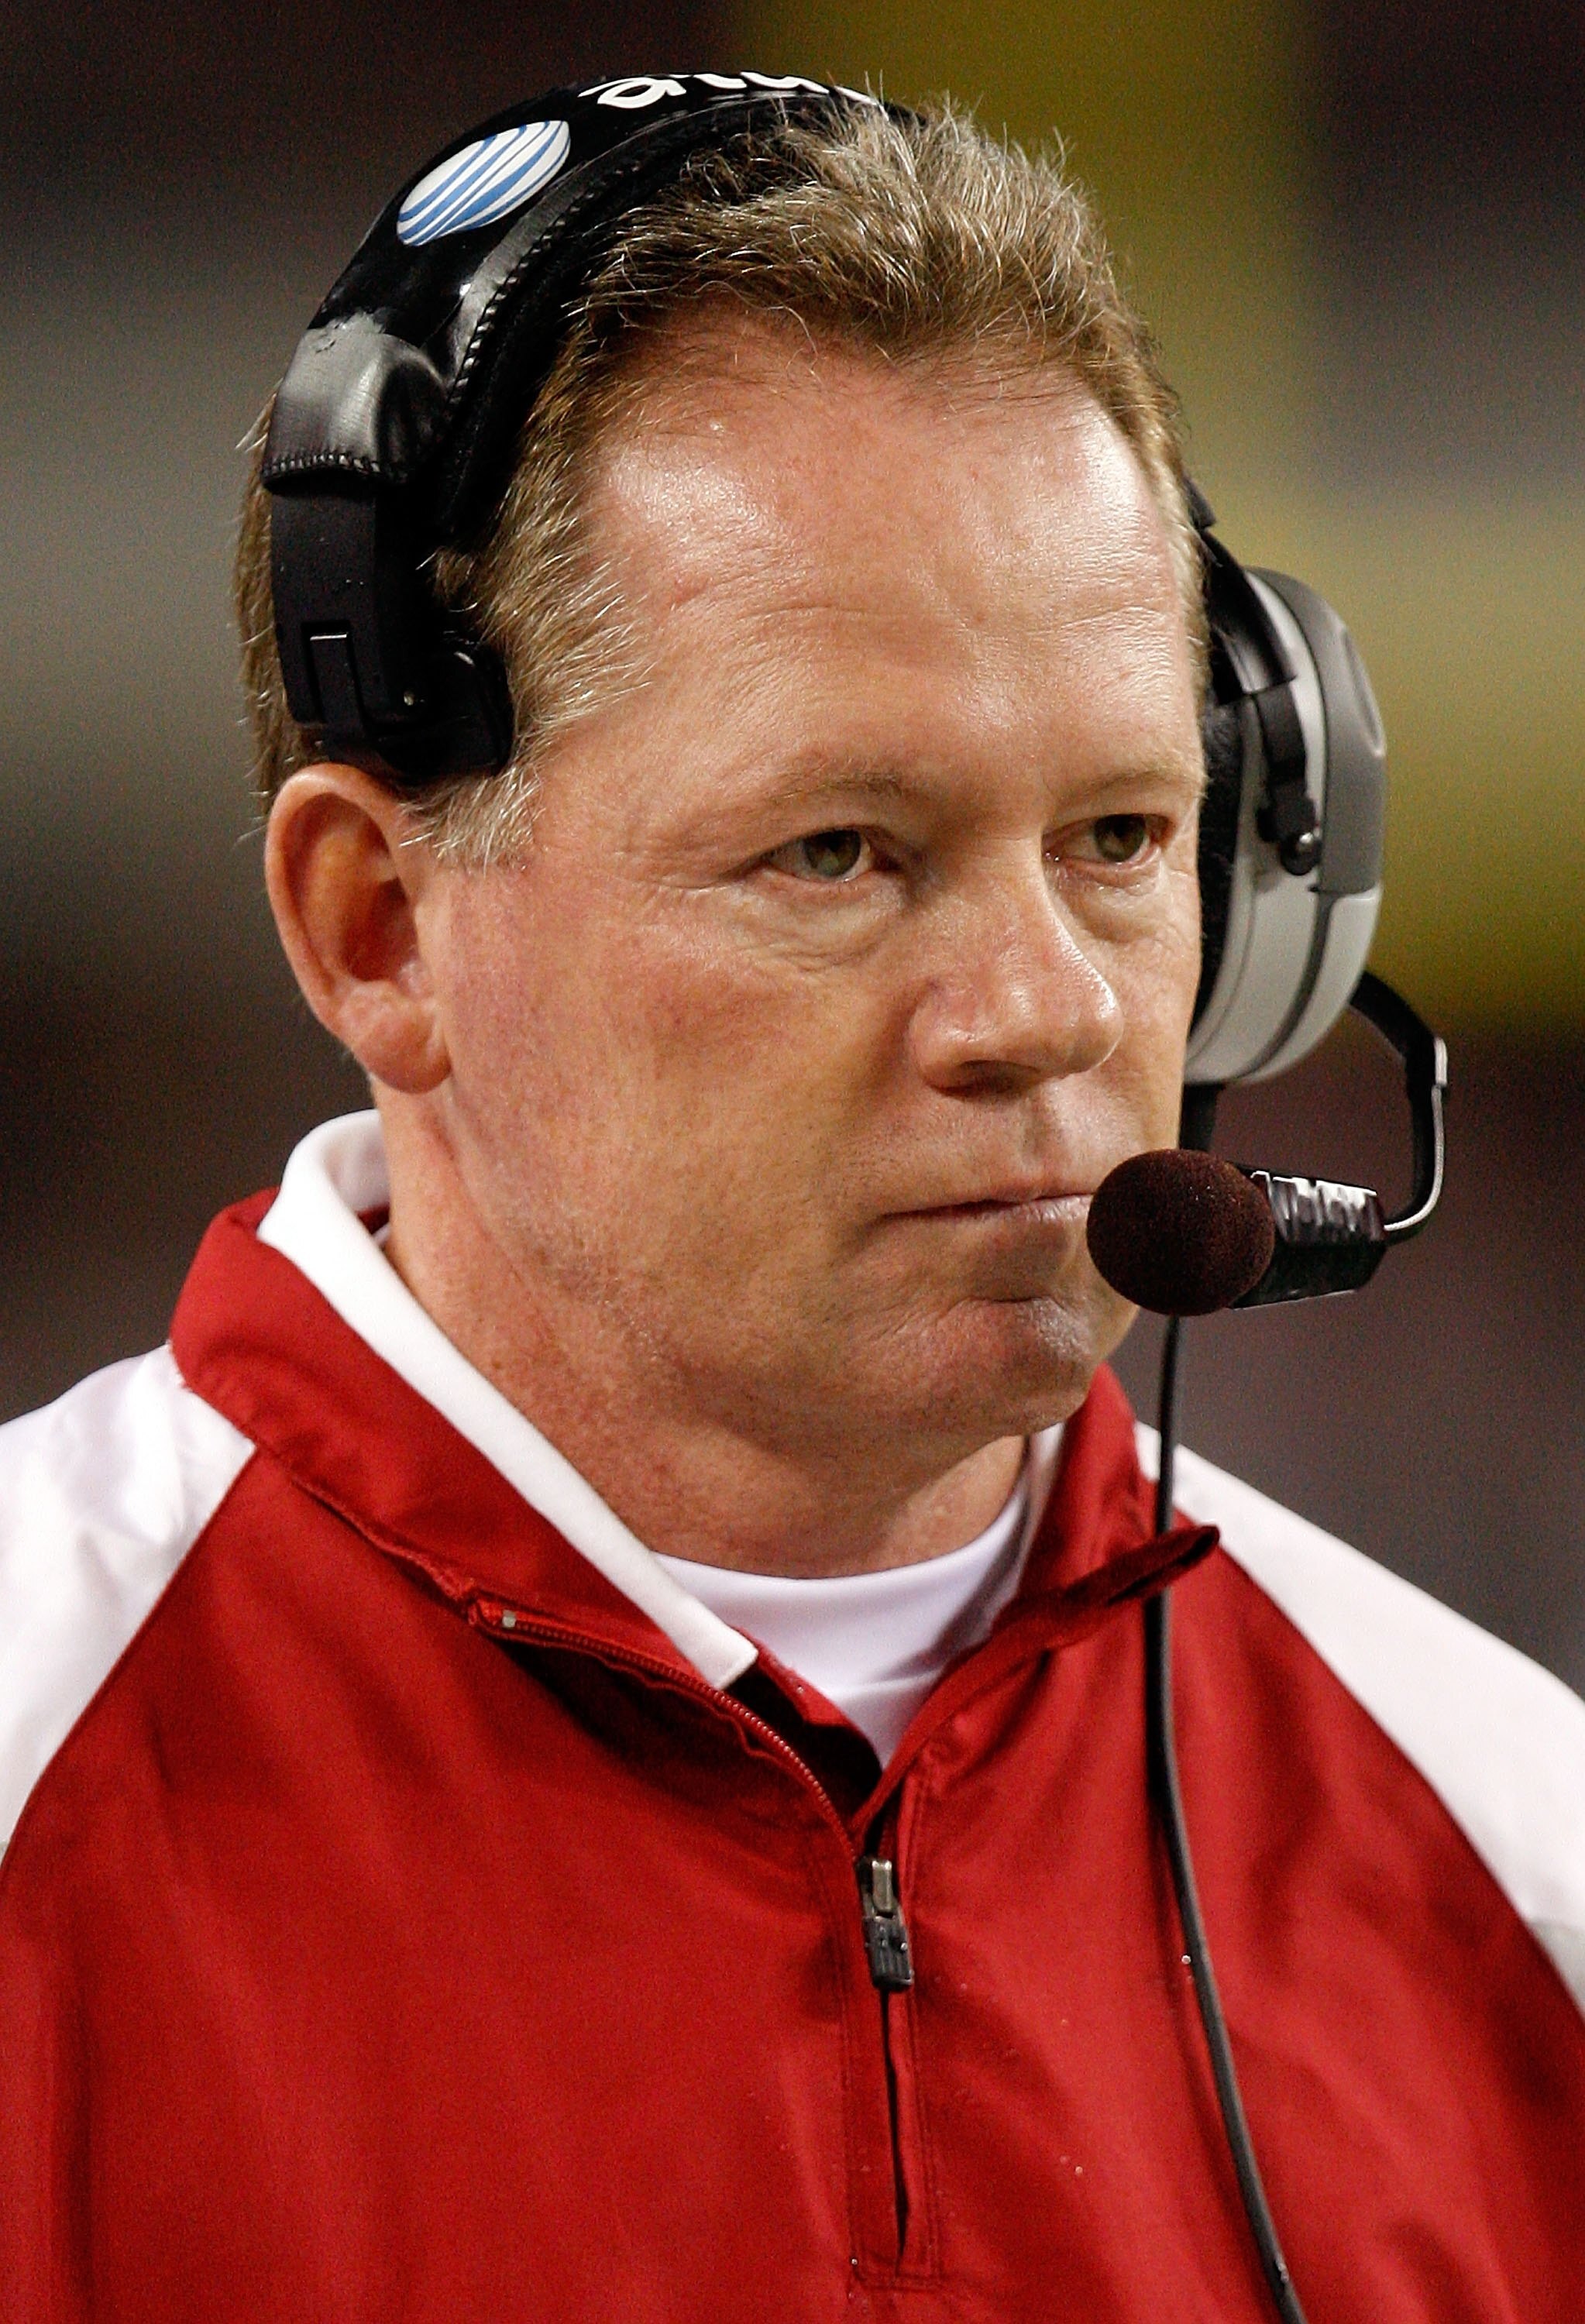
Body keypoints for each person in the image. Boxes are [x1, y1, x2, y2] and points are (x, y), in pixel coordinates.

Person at [2, 84, 1582, 2323]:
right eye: (839, 852)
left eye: (1121, 841)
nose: (1045, 1008)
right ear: (381, 929)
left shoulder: (1521, 1866)